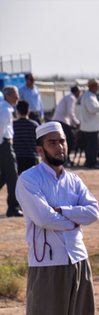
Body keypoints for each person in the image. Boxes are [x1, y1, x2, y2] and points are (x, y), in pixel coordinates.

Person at [14, 121, 99, 315]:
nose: (59, 147)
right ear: (40, 149)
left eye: (62, 141)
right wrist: (74, 220)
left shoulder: (74, 180)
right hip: (47, 264)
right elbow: (42, 218)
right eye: (52, 142)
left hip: (78, 259)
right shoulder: (29, 179)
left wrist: (63, 211)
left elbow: (94, 212)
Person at [0, 85, 22, 217]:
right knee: (13, 176)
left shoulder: (4, 107)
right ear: (7, 95)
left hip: (4, 144)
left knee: (4, 176)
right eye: (15, 94)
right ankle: (13, 208)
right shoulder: (6, 109)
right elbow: (1, 127)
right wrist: (2, 144)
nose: (17, 97)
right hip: (4, 144)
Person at [81, 79, 99, 169]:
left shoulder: (91, 96)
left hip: (93, 126)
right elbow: (92, 109)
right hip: (91, 127)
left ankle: (91, 162)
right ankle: (91, 163)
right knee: (92, 146)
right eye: (96, 86)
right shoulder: (88, 97)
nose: (98, 88)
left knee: (94, 145)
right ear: (91, 87)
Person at [52, 86, 80, 162]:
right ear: (76, 92)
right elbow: (70, 113)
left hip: (59, 120)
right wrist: (77, 123)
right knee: (69, 140)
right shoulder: (72, 98)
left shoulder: (68, 97)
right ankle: (65, 158)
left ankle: (64, 157)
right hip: (62, 121)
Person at [13, 100, 40, 174]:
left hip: (18, 158)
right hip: (32, 157)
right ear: (28, 111)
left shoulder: (13, 125)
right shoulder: (34, 125)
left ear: (17, 112)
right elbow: (39, 141)